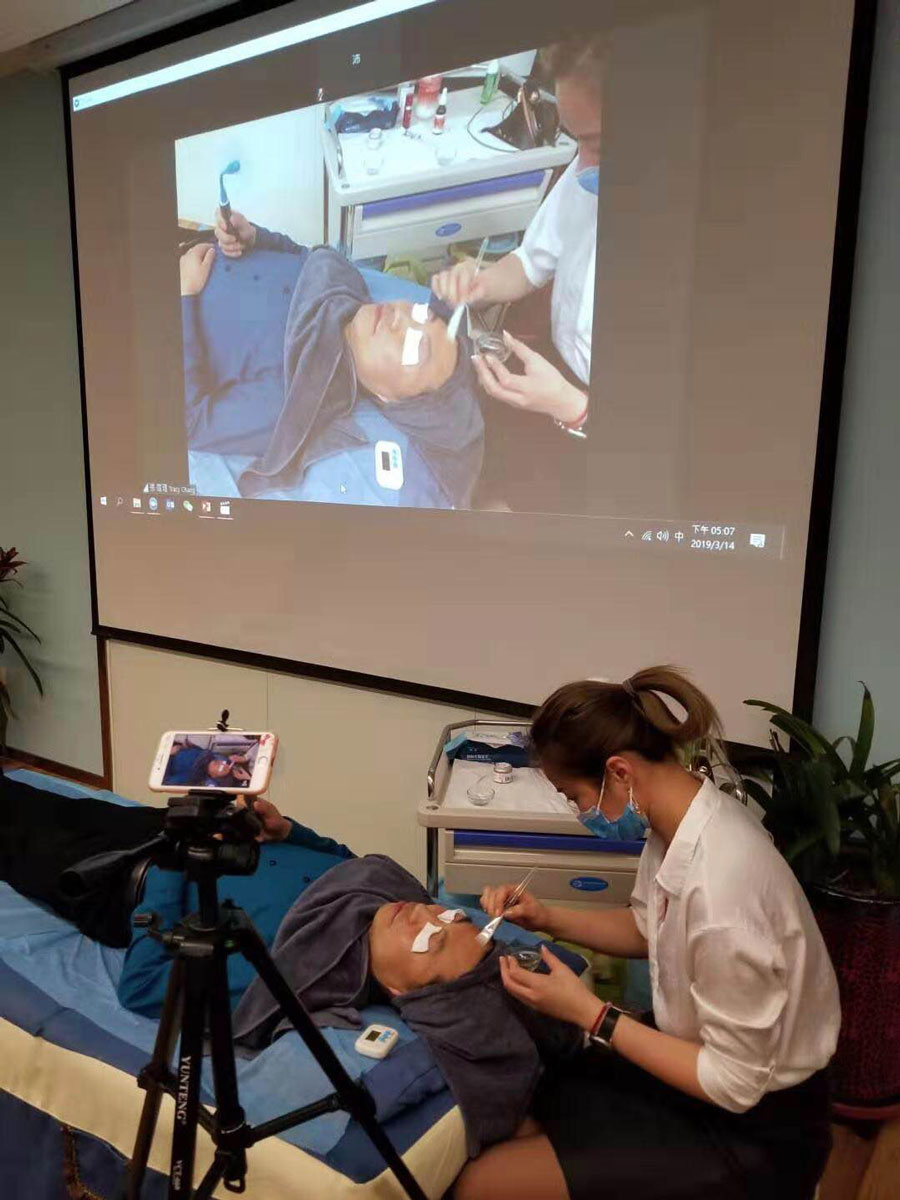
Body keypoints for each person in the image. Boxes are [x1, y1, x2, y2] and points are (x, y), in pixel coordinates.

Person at [454, 667, 840, 1200]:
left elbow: (734, 1083)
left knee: (482, 1186)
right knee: (534, 1099)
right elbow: (648, 926)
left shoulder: (724, 889)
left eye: (573, 796)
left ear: (618, 771)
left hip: (756, 1125)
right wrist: (547, 918)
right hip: (699, 1066)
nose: (578, 812)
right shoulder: (679, 820)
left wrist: (591, 1014)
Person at [180, 210, 483, 508]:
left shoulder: (291, 396)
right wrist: (254, 237)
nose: (399, 318)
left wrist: (184, 295)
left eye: (414, 347)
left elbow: (189, 421)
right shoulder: (346, 282)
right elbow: (303, 257)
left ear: (388, 398)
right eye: (421, 314)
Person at [432, 38, 602, 444]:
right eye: (576, 140)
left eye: (596, 141)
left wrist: (575, 410)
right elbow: (530, 263)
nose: (580, 165)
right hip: (554, 369)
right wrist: (483, 282)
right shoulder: (583, 181)